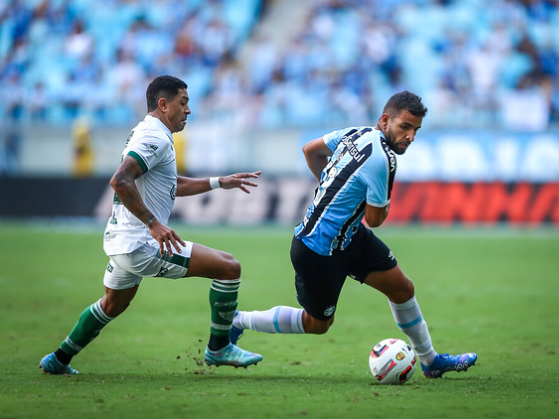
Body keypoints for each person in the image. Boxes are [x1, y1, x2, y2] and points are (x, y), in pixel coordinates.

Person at [230, 91, 477, 378]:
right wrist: (367, 198)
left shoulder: (356, 133)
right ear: (385, 120)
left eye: (416, 130)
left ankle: (430, 361)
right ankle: (239, 320)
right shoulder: (383, 160)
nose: (410, 136)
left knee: (402, 289)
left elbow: (310, 150)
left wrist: (333, 187)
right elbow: (375, 219)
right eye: (405, 127)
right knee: (318, 324)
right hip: (318, 248)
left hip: (349, 236)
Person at [39, 75, 263, 374]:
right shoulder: (154, 137)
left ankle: (58, 359)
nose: (188, 110)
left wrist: (218, 182)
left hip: (122, 241)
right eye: (183, 103)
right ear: (163, 104)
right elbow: (120, 180)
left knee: (112, 304)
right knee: (229, 267)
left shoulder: (148, 132)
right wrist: (153, 224)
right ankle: (219, 348)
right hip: (141, 243)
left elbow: (170, 183)